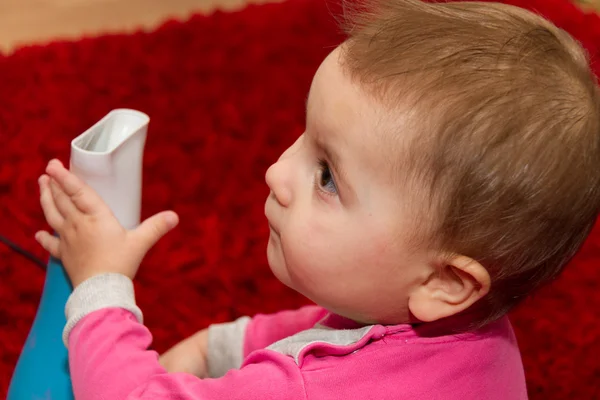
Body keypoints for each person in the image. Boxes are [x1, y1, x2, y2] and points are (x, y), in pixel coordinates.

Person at [35, 0, 600, 398]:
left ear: (447, 284)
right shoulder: (469, 330)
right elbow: (337, 329)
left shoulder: (308, 389)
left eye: (327, 176)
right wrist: (216, 346)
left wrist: (100, 286)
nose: (277, 171)